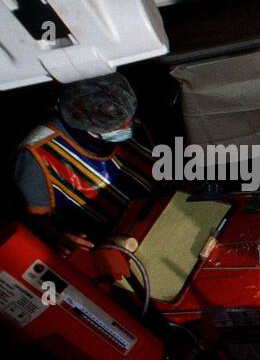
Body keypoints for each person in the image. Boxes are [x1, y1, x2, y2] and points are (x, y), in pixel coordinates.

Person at [13, 73, 157, 250]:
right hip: (117, 241)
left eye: (128, 121)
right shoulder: (37, 153)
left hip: (159, 211)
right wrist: (58, 236)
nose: (127, 128)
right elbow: (36, 218)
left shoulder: (122, 107)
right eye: (118, 126)